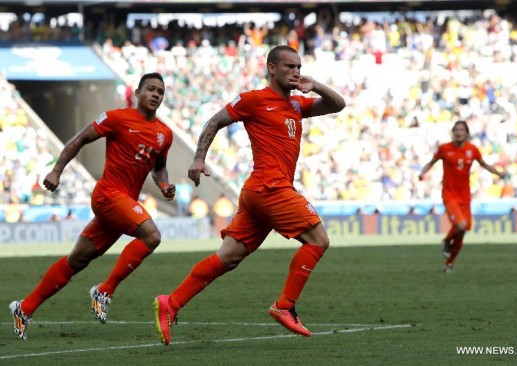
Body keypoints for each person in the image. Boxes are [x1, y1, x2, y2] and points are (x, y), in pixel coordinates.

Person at [153, 45, 346, 346]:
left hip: (259, 192)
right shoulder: (253, 100)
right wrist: (198, 158)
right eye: (289, 66)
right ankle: (285, 306)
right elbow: (214, 121)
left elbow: (338, 105)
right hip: (270, 188)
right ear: (271, 69)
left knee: (228, 257)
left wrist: (316, 85)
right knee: (319, 240)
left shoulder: (296, 105)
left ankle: (171, 303)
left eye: (298, 66)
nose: (296, 71)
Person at [9, 72, 175, 340]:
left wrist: (165, 185)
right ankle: (105, 290)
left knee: (76, 260)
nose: (156, 95)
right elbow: (78, 140)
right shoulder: (116, 118)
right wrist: (56, 171)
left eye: (161, 92)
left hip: (123, 203)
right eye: (151, 90)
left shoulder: (164, 134)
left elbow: (159, 168)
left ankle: (23, 308)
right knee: (152, 235)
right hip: (108, 194)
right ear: (138, 92)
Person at [418, 120, 506, 273]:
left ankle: (449, 264)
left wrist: (498, 173)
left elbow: (484, 164)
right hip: (449, 194)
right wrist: (422, 173)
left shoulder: (472, 150)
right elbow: (431, 162)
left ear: (467, 133)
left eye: (462, 130)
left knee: (462, 231)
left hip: (465, 196)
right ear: (453, 132)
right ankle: (446, 241)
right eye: (456, 130)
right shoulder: (444, 149)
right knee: (461, 225)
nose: (459, 132)